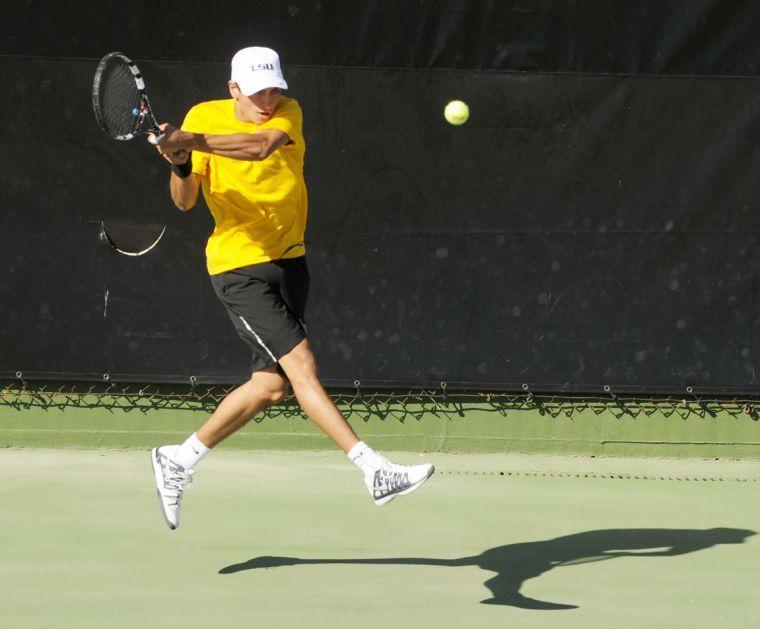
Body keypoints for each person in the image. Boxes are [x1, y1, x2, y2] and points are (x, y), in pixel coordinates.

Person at [147, 46, 434, 530]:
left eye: (275, 87)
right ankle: (374, 470)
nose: (270, 97)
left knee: (270, 385)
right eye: (259, 90)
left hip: (290, 262)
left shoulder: (286, 114)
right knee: (302, 366)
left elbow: (259, 146)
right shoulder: (204, 116)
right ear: (233, 88)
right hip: (238, 266)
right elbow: (184, 201)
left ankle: (179, 459)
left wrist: (190, 140)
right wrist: (178, 161)